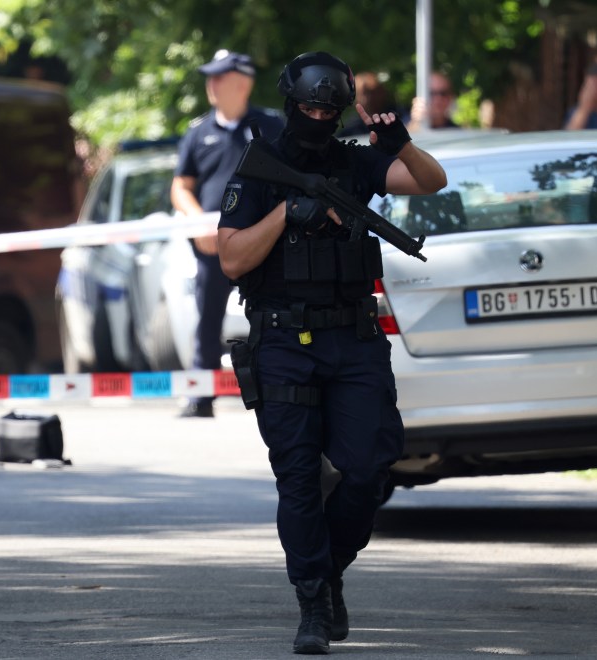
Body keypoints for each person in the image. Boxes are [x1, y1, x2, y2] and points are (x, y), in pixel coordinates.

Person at [216, 51, 446, 654]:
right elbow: (233, 258)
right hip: (284, 341)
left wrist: (399, 142)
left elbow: (430, 181)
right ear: (291, 105)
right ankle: (313, 600)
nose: (318, 115)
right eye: (309, 106)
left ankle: (329, 568)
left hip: (353, 338)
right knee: (297, 480)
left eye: (328, 107)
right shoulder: (260, 170)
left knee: (370, 468)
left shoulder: (354, 163)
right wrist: (288, 211)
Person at [171, 49, 284, 418]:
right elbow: (180, 186)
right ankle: (200, 395)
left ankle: (281, 389)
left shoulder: (271, 126)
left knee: (271, 314)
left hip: (262, 242)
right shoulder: (198, 131)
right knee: (207, 318)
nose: (211, 84)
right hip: (212, 245)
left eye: (219, 77)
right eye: (210, 77)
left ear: (243, 83)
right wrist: (197, 220)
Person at [337, 71, 401, 137]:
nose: (371, 98)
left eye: (374, 92)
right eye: (365, 93)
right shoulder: (350, 130)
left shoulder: (398, 116)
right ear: (354, 98)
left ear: (383, 92)